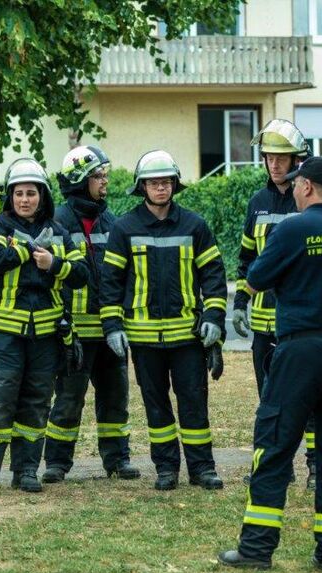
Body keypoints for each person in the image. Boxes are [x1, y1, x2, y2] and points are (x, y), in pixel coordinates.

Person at [219, 157, 322, 572]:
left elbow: (256, 279)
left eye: (295, 185)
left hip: (303, 350)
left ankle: (257, 549)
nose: (291, 190)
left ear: (307, 187)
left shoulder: (292, 228)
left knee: (275, 444)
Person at [99, 150, 227, 491]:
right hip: (143, 340)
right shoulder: (124, 229)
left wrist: (214, 316)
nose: (161, 188)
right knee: (157, 409)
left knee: (194, 405)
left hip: (187, 337)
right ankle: (166, 468)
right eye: (154, 182)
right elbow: (109, 283)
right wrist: (112, 326)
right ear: (142, 187)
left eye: (166, 182)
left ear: (175, 184)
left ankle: (203, 469)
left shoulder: (195, 226)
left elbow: (214, 276)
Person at [0, 158, 88, 494]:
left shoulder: (60, 232)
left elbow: (82, 275)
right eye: (18, 193)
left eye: (31, 193)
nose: (24, 199)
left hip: (45, 336)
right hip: (2, 335)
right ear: (10, 196)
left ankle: (27, 471)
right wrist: (26, 249)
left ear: (42, 195)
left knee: (36, 402)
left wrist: (54, 263)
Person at [42, 145, 140, 483]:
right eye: (98, 176)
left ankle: (117, 460)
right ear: (80, 180)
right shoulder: (56, 222)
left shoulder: (112, 221)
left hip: (110, 327)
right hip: (73, 332)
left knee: (116, 398)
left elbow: (121, 273)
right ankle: (56, 462)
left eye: (104, 175)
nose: (105, 182)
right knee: (68, 400)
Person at [232, 119, 317, 489]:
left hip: (303, 321)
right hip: (266, 324)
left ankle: (317, 467)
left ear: (298, 159)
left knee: (311, 400)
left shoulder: (312, 199)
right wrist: (239, 303)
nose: (275, 165)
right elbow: (246, 259)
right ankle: (272, 466)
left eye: (282, 158)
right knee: (269, 401)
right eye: (269, 158)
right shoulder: (257, 203)